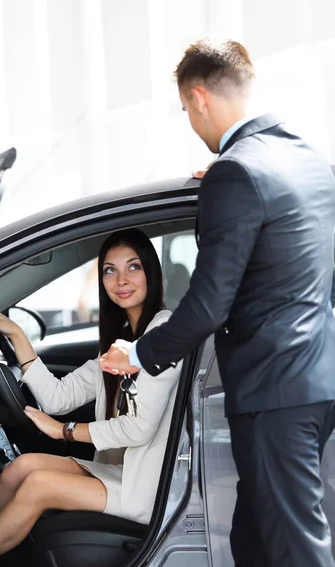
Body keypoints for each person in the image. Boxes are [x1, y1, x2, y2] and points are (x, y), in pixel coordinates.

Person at [100, 38, 335, 567]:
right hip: (314, 384)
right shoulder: (304, 159)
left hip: (273, 394)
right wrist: (226, 190)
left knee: (295, 549)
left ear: (199, 97)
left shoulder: (237, 174)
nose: (190, 119)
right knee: (256, 540)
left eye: (185, 109)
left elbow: (208, 307)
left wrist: (135, 355)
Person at [0, 228, 181, 567]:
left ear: (151, 272)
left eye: (133, 267)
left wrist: (63, 431)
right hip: (120, 473)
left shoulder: (162, 333)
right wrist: (19, 336)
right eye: (110, 270)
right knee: (24, 466)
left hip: (146, 489)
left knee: (39, 485)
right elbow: (58, 399)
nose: (121, 279)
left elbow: (140, 429)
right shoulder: (120, 341)